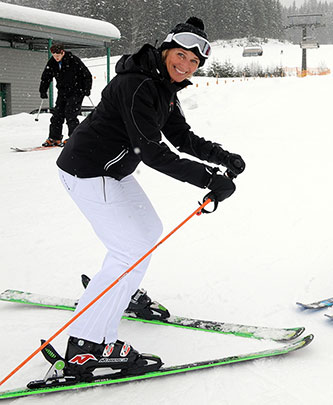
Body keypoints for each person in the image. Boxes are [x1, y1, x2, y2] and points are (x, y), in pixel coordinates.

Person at [55, 17, 245, 380]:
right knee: (128, 248)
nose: (186, 65)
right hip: (88, 169)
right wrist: (208, 179)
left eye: (194, 61)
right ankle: (86, 346)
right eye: (181, 55)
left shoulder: (163, 88)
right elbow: (153, 152)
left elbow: (181, 137)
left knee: (146, 231)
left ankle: (121, 292)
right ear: (166, 49)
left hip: (111, 171)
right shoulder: (138, 84)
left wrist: (222, 157)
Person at [38, 44, 92, 147]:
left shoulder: (73, 60)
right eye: (54, 55)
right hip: (62, 92)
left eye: (58, 55)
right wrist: (43, 90)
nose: (56, 58)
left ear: (63, 52)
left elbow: (86, 75)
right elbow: (46, 76)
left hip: (76, 91)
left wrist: (87, 89)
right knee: (57, 115)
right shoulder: (52, 62)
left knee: (70, 114)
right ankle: (54, 138)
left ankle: (74, 138)